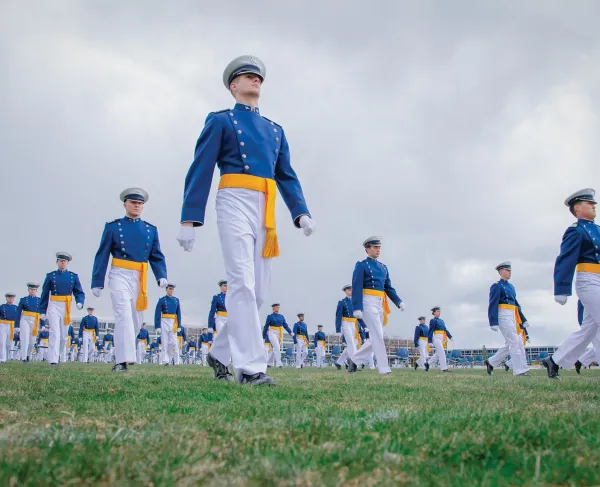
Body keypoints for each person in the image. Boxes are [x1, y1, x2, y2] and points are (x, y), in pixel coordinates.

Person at [177, 55, 315, 386]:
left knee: (257, 293)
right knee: (241, 281)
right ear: (233, 85)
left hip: (264, 207)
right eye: (248, 76)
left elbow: (286, 175)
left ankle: (220, 352)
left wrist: (301, 211)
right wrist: (189, 218)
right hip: (233, 199)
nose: (256, 81)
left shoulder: (274, 130)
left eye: (259, 77)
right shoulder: (221, 121)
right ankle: (252, 368)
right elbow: (201, 167)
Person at [91, 187, 168, 373]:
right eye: (133, 202)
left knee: (134, 319)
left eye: (140, 203)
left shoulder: (150, 230)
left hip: (139, 277)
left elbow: (156, 255)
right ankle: (122, 360)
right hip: (119, 273)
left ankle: (125, 354)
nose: (137, 206)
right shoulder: (113, 227)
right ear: (125, 204)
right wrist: (97, 281)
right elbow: (102, 255)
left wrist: (161, 275)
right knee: (123, 315)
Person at [546, 188, 600, 379]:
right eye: (589, 203)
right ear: (577, 208)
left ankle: (554, 361)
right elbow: (566, 259)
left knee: (588, 331)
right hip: (589, 281)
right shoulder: (576, 231)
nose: (594, 206)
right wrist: (561, 288)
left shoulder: (598, 230)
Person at [348, 237, 404, 374]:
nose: (378, 250)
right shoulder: (362, 266)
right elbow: (356, 287)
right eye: (375, 247)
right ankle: (384, 367)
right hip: (367, 302)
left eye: (379, 247)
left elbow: (388, 288)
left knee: (375, 337)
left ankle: (354, 359)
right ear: (367, 249)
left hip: (380, 303)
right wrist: (357, 307)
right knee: (378, 335)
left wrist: (398, 301)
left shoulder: (383, 267)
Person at [39, 252, 85, 366]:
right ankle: (53, 359)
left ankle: (57, 355)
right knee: (55, 332)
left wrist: (80, 302)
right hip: (53, 304)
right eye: (60, 261)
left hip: (66, 306)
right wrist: (42, 311)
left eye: (65, 261)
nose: (63, 263)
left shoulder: (73, 276)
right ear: (57, 262)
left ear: (68, 263)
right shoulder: (50, 276)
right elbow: (44, 294)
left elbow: (79, 291)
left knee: (64, 336)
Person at [485, 262, 530, 377]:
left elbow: (516, 304)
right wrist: (493, 321)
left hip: (513, 314)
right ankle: (519, 371)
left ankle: (491, 362)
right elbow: (493, 303)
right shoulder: (496, 286)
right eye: (507, 270)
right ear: (500, 272)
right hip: (503, 314)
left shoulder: (511, 287)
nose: (510, 272)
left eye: (510, 270)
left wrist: (523, 319)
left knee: (517, 342)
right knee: (514, 341)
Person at [335, 285, 364, 370]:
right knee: (351, 343)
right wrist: (338, 330)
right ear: (345, 291)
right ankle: (354, 364)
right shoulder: (342, 302)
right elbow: (338, 316)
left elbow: (359, 315)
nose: (351, 290)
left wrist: (363, 326)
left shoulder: (356, 302)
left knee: (353, 344)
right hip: (346, 323)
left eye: (352, 289)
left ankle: (339, 362)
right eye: (348, 289)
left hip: (354, 324)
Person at [15, 283, 41, 363]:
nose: (32, 291)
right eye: (31, 289)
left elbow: (41, 313)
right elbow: (18, 312)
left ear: (36, 290)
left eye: (34, 289)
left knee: (32, 341)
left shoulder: (39, 300)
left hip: (35, 320)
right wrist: (16, 325)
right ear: (28, 290)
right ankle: (23, 358)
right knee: (24, 338)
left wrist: (43, 324)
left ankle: (27, 355)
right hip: (25, 319)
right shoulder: (23, 299)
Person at [263, 303, 294, 368]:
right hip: (272, 332)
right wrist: (263, 337)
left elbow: (285, 325)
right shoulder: (270, 316)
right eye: (276, 307)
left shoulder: (281, 316)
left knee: (275, 348)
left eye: (278, 307)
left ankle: (269, 363)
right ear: (273, 308)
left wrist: (290, 332)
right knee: (277, 347)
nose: (277, 308)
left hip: (279, 332)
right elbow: (266, 326)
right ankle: (279, 364)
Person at [427, 306, 453, 372]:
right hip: (436, 338)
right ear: (434, 313)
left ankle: (427, 364)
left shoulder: (442, 321)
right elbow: (430, 331)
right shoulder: (433, 321)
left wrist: (450, 336)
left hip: (442, 338)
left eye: (439, 311)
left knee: (438, 354)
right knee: (442, 352)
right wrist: (429, 341)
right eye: (437, 311)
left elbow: (445, 330)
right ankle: (444, 368)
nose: (439, 313)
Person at [0, 292, 18, 363]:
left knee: (9, 343)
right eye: (9, 298)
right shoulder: (2, 307)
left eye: (12, 298)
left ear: (13, 299)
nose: (10, 299)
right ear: (6, 298)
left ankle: (8, 356)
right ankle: (2, 358)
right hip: (3, 324)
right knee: (2, 341)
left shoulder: (16, 307)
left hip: (11, 325)